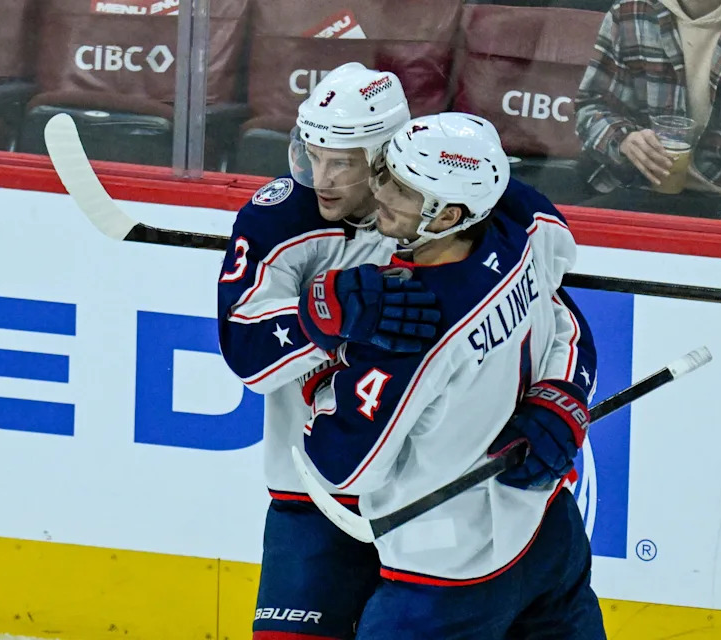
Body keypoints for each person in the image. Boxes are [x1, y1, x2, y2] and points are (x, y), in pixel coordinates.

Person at [299, 113, 603, 638]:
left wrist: (325, 366)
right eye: (387, 173)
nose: (380, 191)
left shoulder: (409, 328)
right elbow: (564, 316)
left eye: (402, 188)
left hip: (443, 576)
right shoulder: (519, 235)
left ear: (446, 217)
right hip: (549, 531)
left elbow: (345, 467)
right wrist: (564, 392)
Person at [217, 62, 440, 639]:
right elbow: (247, 355)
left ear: (388, 157)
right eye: (313, 155)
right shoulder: (279, 219)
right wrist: (319, 317)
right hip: (312, 494)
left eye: (342, 162)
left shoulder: (446, 205)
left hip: (428, 498)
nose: (322, 178)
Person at [575, 0, 721, 224]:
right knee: (572, 239)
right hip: (640, 186)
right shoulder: (631, 9)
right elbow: (592, 105)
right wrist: (624, 139)